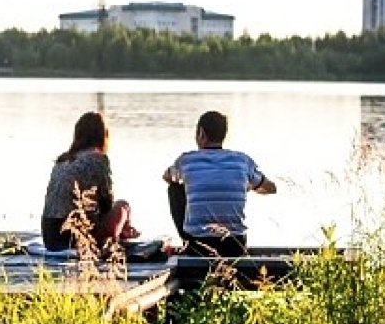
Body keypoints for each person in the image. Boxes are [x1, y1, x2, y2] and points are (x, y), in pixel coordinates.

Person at [162, 110, 277, 257]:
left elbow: (166, 176)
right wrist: (248, 186)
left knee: (174, 189)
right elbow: (271, 188)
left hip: (199, 245)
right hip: (235, 244)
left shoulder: (187, 160)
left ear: (201, 133)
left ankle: (186, 243)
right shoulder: (242, 161)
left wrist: (184, 181)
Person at [41, 111, 138, 251]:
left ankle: (121, 233)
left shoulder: (62, 160)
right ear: (102, 136)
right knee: (123, 206)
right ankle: (121, 235)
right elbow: (107, 203)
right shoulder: (98, 159)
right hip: (76, 237)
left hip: (50, 238)